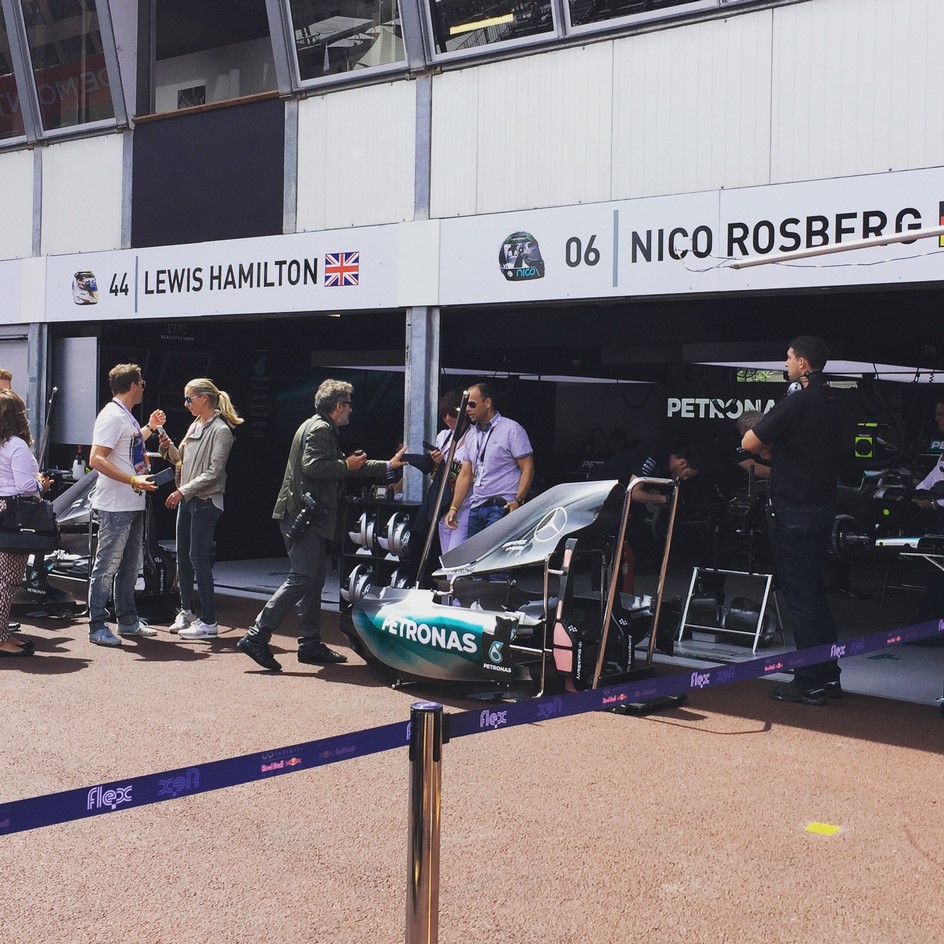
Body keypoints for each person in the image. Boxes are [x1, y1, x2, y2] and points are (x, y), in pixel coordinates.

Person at [237, 379, 407, 672]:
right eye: (349, 405)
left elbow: (341, 465)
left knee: (312, 580)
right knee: (303, 577)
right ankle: (257, 635)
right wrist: (346, 466)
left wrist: (388, 465)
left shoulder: (317, 426)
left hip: (305, 516)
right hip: (303, 517)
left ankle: (310, 643)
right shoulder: (319, 429)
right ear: (338, 405)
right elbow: (313, 466)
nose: (351, 410)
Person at [742, 336, 842, 706]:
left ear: (802, 362)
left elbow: (750, 442)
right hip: (822, 507)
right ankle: (827, 675)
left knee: (801, 599)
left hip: (793, 510)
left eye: (788, 357)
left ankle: (809, 680)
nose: (785, 363)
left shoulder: (798, 401)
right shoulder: (834, 401)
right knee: (814, 595)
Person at [87, 363, 166, 647]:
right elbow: (96, 459)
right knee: (108, 564)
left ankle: (127, 619)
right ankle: (97, 625)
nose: (143, 387)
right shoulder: (112, 416)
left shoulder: (124, 415)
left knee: (131, 565)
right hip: (115, 504)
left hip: (131, 501)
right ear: (133, 385)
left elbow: (127, 446)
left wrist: (150, 428)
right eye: (142, 383)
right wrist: (133, 479)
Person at [160, 378, 243, 640]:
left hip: (206, 501)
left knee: (198, 558)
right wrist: (167, 448)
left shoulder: (221, 430)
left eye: (189, 399)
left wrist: (182, 491)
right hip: (188, 499)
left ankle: (209, 621)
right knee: (183, 557)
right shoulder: (196, 424)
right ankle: (187, 611)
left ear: (204, 398)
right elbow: (181, 460)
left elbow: (214, 472)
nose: (186, 404)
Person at [444, 383, 534, 539]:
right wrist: (454, 507)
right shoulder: (471, 434)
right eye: (466, 405)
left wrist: (518, 500)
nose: (467, 409)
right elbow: (465, 473)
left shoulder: (511, 429)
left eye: (472, 404)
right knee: (474, 553)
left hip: (501, 504)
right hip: (476, 505)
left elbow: (528, 467)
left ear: (487, 403)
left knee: (494, 551)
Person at [0, 390, 48, 657]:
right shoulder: (16, 445)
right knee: (6, 580)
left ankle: (3, 633)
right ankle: (0, 638)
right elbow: (25, 486)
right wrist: (41, 483)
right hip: (12, 513)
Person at [431, 391, 470, 553]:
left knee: (456, 553)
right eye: (444, 415)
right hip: (445, 502)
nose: (448, 418)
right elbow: (435, 476)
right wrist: (435, 462)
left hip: (467, 504)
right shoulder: (443, 436)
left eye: (452, 414)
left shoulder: (474, 435)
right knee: (446, 555)